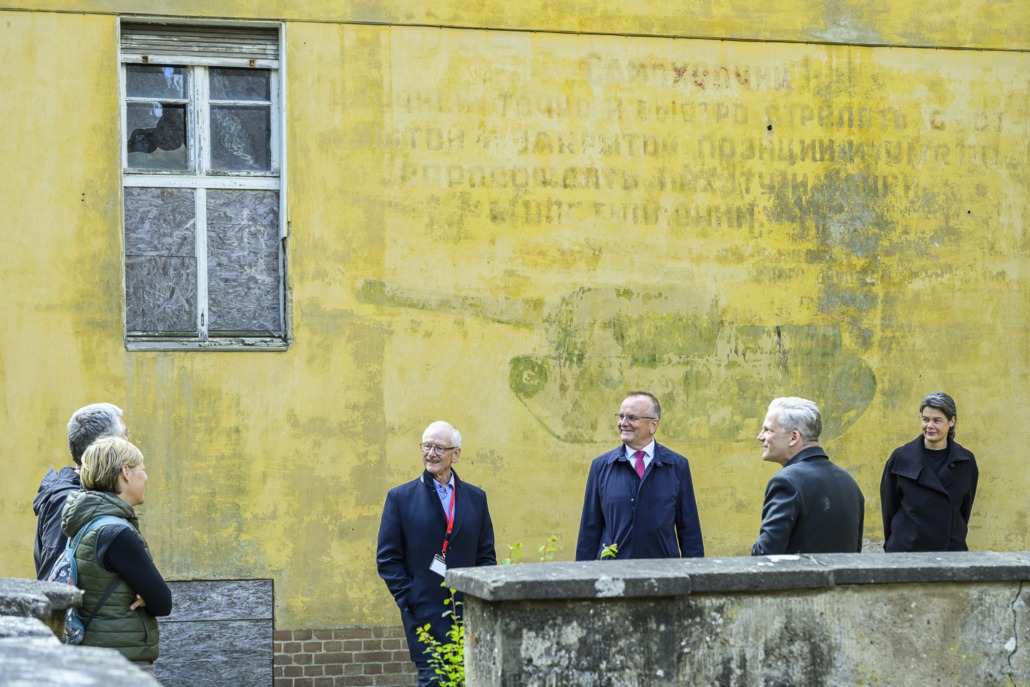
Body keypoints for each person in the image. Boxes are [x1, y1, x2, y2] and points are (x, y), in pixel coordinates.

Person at [376, 421, 496, 686]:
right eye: (426, 446)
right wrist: (410, 597)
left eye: (439, 448)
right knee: (434, 680)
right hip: (423, 613)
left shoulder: (476, 498)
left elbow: (486, 556)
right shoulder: (401, 498)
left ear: (456, 454)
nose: (431, 453)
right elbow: (387, 559)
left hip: (468, 614)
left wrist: (478, 599)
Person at [61, 436, 172, 674]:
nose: (146, 478)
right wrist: (147, 594)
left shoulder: (85, 523)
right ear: (125, 472)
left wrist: (148, 592)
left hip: (92, 658)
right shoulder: (117, 533)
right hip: (123, 664)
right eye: (142, 470)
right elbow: (163, 602)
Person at [576, 391, 704, 560]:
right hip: (614, 571)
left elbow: (689, 530)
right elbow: (589, 530)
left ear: (653, 425)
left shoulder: (676, 466)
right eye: (621, 416)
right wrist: (584, 572)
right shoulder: (601, 466)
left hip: (664, 571)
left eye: (632, 418)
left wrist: (695, 571)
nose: (623, 423)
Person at [751, 397, 865, 555]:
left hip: (799, 573)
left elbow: (765, 554)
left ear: (793, 437)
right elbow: (855, 551)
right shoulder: (848, 481)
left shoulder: (786, 482)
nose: (760, 436)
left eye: (768, 430)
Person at [33, 403, 129, 579]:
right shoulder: (67, 503)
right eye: (124, 436)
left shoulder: (88, 496)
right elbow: (55, 580)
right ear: (103, 446)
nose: (130, 445)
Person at [880, 391, 978, 552]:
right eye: (925, 419)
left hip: (950, 552)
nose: (929, 426)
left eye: (937, 420)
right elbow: (889, 507)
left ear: (951, 421)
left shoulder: (966, 461)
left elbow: (964, 510)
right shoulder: (901, 457)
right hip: (907, 550)